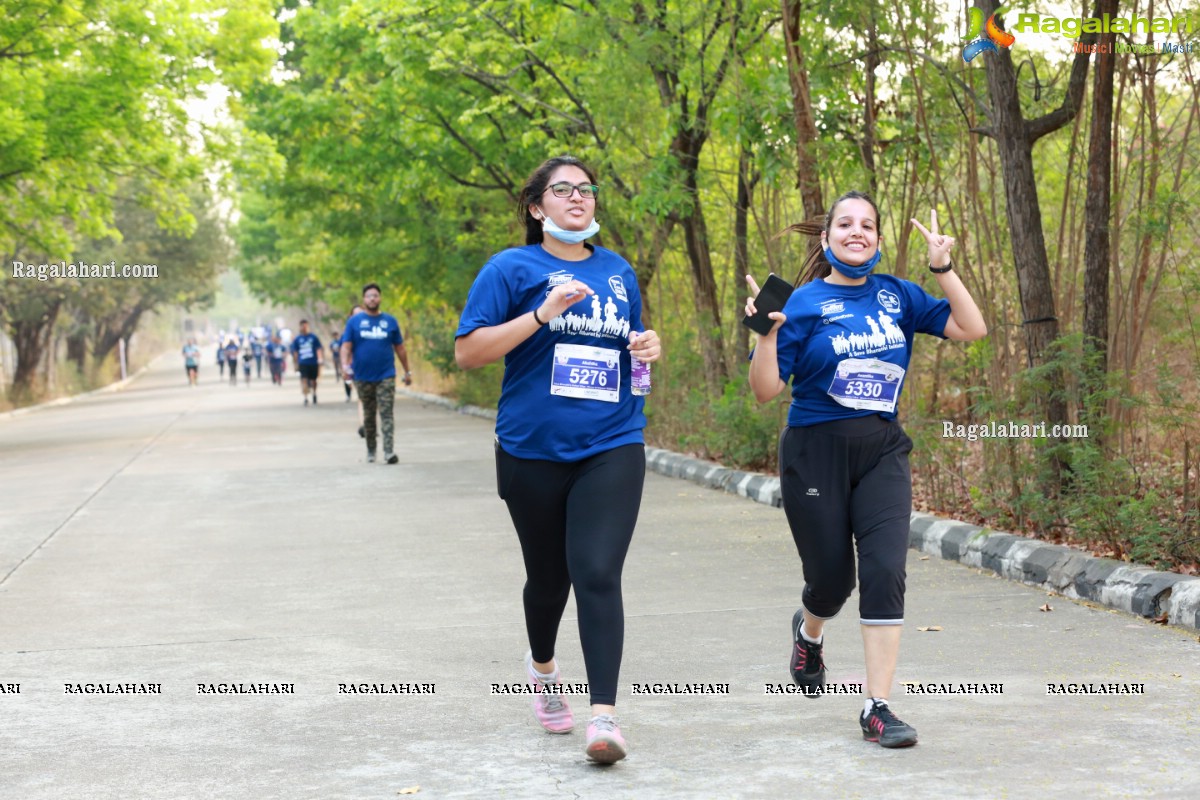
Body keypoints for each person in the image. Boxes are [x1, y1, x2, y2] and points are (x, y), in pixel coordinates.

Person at [745, 192, 987, 748]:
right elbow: (764, 392)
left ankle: (877, 706)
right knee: (832, 580)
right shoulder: (802, 304)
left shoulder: (897, 295)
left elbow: (970, 328)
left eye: (869, 225)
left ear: (878, 239)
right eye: (846, 224)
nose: (858, 232)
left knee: (884, 570)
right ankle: (809, 632)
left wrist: (943, 268)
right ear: (827, 238)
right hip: (814, 451)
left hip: (881, 450)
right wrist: (766, 336)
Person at [454, 155, 661, 764]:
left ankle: (605, 719)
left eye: (587, 189)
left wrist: (648, 348)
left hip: (613, 442)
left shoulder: (619, 272)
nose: (579, 197)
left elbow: (637, 364)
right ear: (536, 207)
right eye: (563, 189)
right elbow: (468, 353)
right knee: (550, 580)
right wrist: (542, 314)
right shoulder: (509, 269)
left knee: (597, 571)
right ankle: (543, 672)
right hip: (531, 449)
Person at [340, 286, 410, 463]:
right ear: (364, 299)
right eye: (369, 296)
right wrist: (344, 366)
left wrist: (407, 371)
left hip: (386, 375)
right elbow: (346, 346)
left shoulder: (390, 322)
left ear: (380, 298)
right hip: (362, 376)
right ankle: (371, 450)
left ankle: (389, 452)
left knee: (387, 413)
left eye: (375, 296)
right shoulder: (354, 322)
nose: (372, 298)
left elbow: (400, 348)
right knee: (369, 415)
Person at [291, 320, 324, 405]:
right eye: (303, 326)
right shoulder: (297, 339)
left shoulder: (313, 337)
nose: (304, 328)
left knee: (314, 380)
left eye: (306, 326)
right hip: (303, 362)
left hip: (313, 362)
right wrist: (295, 363)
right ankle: (305, 397)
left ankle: (314, 393)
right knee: (304, 380)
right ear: (300, 327)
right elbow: (295, 352)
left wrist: (320, 359)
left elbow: (318, 349)